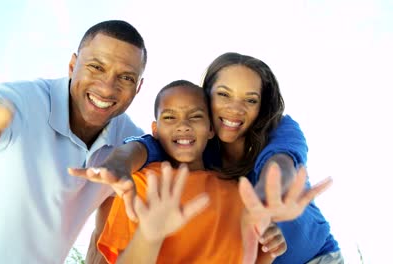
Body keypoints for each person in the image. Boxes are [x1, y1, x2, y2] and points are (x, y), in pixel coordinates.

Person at [0, 6, 147, 263]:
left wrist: (132, 155)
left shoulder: (127, 135)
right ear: (73, 65)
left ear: (139, 86)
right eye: (96, 67)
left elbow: (154, 147)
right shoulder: (20, 103)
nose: (107, 87)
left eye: (126, 78)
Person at [77, 53, 343, 263]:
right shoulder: (199, 144)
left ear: (261, 106)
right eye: (224, 94)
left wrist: (268, 196)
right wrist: (118, 163)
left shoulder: (280, 128)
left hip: (315, 257)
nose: (235, 108)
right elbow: (151, 144)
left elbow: (281, 162)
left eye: (250, 100)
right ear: (206, 98)